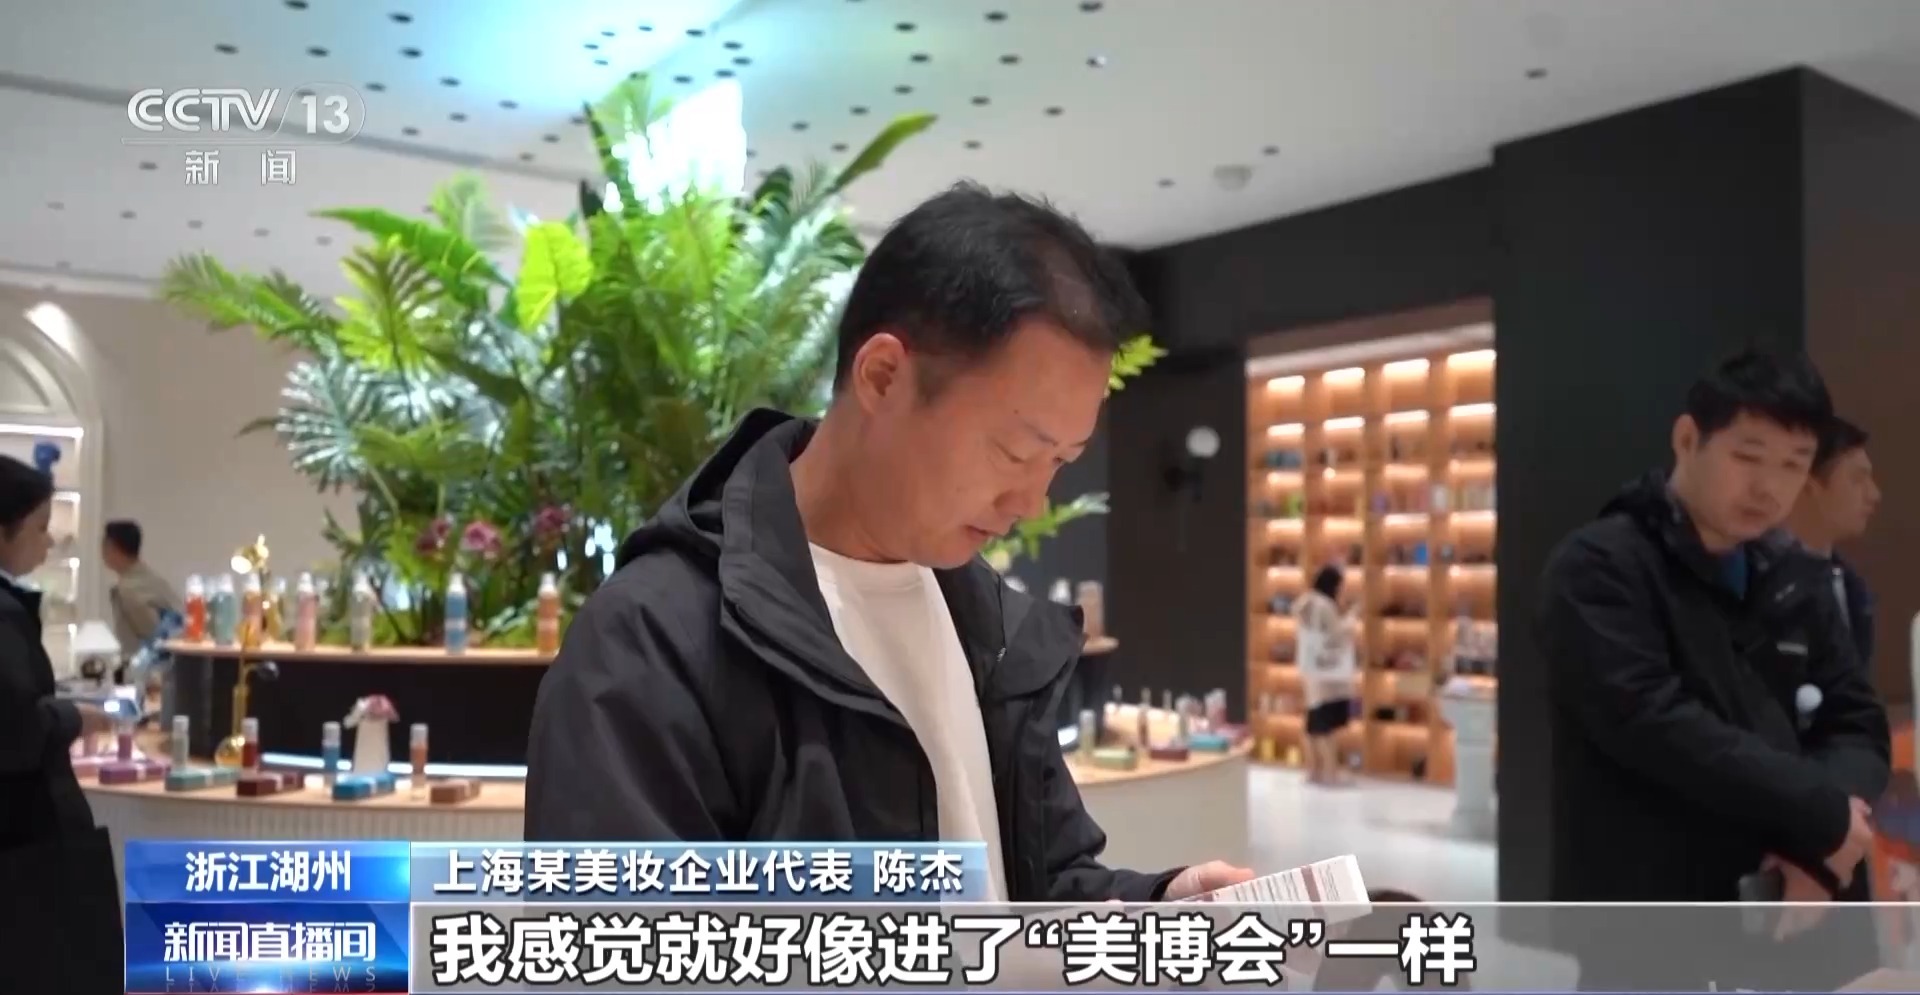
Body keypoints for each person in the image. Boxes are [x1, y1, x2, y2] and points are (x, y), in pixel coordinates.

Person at [525, 183, 1253, 903]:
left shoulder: (993, 630)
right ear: (882, 376)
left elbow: (1031, 885)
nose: (1031, 502)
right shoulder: (652, 646)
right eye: (1013, 451)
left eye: (1059, 461)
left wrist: (1156, 907)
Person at [1535, 350, 1888, 989]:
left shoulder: (1796, 576)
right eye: (1748, 457)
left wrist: (1823, 847)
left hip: (1802, 910)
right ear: (1687, 439)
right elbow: (1652, 722)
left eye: (1794, 464)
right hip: (1655, 924)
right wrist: (1821, 816)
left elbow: (1857, 722)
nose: (1768, 487)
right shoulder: (1600, 568)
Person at [0, 454, 124, 992]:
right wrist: (77, 716)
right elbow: (15, 728)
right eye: (40, 527)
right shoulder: (4, 615)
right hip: (26, 840)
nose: (48, 541)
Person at [1784, 416, 1879, 672]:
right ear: (1808, 485)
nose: (1874, 494)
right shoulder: (1757, 584)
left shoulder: (1853, 588)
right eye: (1857, 479)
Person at [1294, 564, 1357, 785]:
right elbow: (1336, 636)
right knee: (1326, 727)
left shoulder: (1305, 603)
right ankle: (1331, 773)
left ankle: (1313, 771)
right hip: (1328, 672)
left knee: (1312, 725)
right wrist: (1351, 619)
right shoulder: (1325, 606)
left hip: (1310, 670)